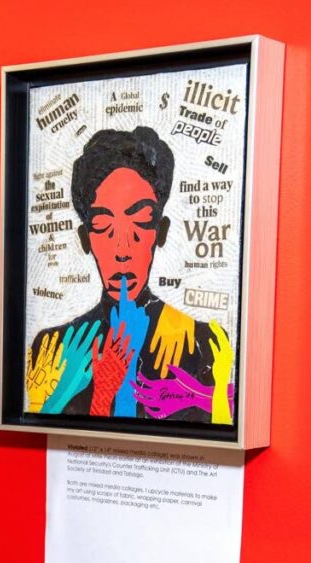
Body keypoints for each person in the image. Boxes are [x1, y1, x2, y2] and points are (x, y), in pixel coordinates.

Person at [26, 127, 234, 424]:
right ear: (85, 239)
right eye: (103, 226)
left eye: (139, 222)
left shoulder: (204, 343)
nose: (122, 249)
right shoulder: (53, 348)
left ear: (160, 232)